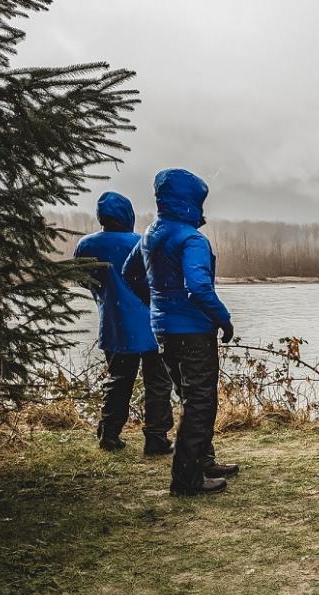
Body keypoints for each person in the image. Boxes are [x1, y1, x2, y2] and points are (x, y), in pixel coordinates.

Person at [123, 169, 238, 497]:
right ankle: (187, 478)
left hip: (164, 331)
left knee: (193, 399)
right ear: (191, 201)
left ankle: (202, 460)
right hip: (193, 332)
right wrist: (224, 320)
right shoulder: (191, 239)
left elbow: (130, 274)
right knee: (201, 402)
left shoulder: (151, 234)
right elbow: (199, 287)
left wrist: (157, 304)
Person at [73, 191, 174, 454]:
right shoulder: (141, 242)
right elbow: (159, 281)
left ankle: (109, 434)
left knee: (118, 380)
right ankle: (156, 438)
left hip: (114, 323)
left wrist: (106, 294)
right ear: (127, 215)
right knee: (158, 382)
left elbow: (83, 280)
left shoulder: (86, 245)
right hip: (152, 325)